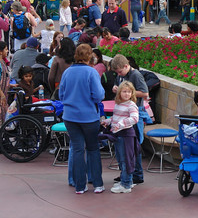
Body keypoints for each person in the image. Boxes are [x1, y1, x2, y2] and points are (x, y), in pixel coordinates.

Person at [59, 44, 105, 194]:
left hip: (70, 116)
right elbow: (98, 96)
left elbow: (61, 94)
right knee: (93, 148)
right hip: (89, 117)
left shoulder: (67, 72)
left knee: (77, 149)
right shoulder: (91, 72)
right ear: (89, 56)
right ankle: (97, 184)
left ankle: (80, 185)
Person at [110, 54, 148, 187]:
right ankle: (127, 173)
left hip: (134, 112)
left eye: (120, 71)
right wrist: (117, 89)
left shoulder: (135, 75)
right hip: (125, 113)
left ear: (126, 66)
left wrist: (126, 92)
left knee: (133, 146)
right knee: (127, 148)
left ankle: (136, 175)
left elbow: (145, 93)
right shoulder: (121, 76)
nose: (119, 74)